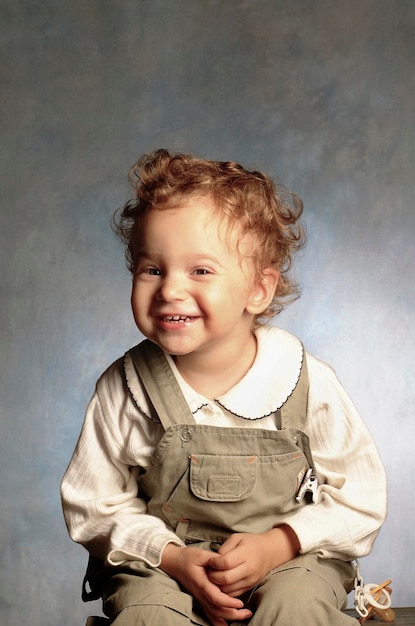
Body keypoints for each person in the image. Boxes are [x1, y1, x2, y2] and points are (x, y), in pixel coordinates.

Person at [61, 149, 387, 626]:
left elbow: (360, 497)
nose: (170, 289)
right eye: (152, 269)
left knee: (296, 608)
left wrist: (279, 544)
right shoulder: (126, 387)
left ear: (258, 289)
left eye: (200, 270)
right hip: (165, 568)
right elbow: (93, 504)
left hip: (291, 560)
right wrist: (171, 557)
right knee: (147, 616)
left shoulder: (304, 380)